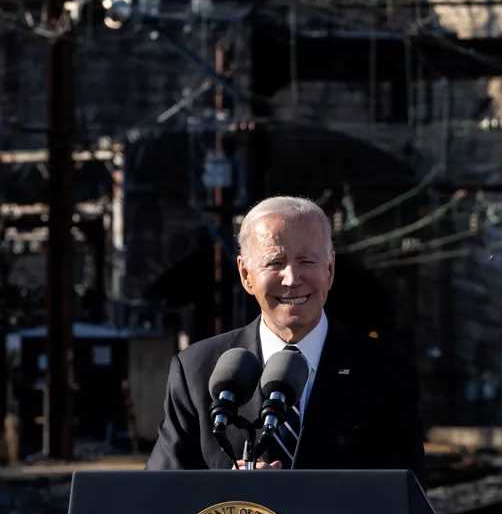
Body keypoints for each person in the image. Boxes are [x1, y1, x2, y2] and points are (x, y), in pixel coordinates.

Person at [145, 195, 425, 479]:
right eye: (275, 262)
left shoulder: (387, 373)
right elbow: (159, 497)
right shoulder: (197, 371)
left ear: (330, 270)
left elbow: (403, 502)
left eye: (307, 261)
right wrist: (228, 497)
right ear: (246, 275)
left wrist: (287, 500)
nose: (292, 278)